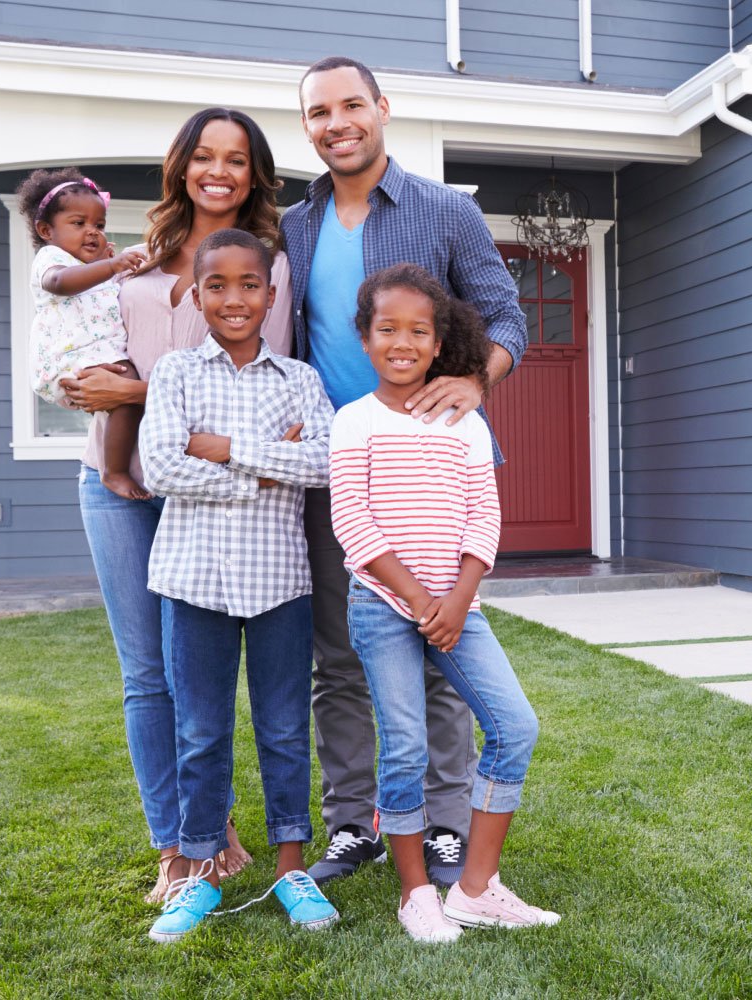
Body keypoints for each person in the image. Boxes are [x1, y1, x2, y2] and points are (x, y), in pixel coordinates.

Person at [281, 56, 528, 888]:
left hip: (437, 466)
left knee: (442, 651)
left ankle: (447, 826)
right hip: (342, 469)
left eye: (352, 104)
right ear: (307, 126)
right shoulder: (295, 225)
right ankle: (354, 825)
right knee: (342, 656)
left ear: (383, 109)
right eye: (319, 112)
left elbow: (505, 315)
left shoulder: (444, 211)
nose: (337, 122)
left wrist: (476, 377)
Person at [61, 107, 294, 902]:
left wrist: (133, 388)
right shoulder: (135, 256)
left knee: (204, 674)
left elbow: (261, 390)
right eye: (203, 156)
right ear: (182, 165)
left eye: (235, 158)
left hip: (208, 496)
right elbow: (91, 356)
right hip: (116, 481)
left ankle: (210, 822)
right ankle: (179, 842)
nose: (217, 171)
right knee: (145, 675)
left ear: (255, 173)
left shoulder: (270, 267)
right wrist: (88, 384)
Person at [329, 263, 557, 942]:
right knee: (404, 747)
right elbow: (354, 524)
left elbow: (483, 518)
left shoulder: (466, 423)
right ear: (364, 339)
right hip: (382, 606)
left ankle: (476, 889)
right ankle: (415, 894)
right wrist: (421, 599)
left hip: (460, 607)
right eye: (387, 328)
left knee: (514, 728)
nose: (402, 341)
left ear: (438, 343)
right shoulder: (353, 422)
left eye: (418, 330)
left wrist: (458, 601)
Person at [140, 228, 337, 943]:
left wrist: (222, 450)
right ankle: (197, 871)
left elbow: (321, 462)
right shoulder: (174, 374)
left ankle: (291, 867)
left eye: (249, 285)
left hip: (279, 581)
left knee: (285, 728)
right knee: (199, 730)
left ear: (271, 293)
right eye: (216, 285)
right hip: (192, 580)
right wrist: (264, 466)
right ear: (197, 295)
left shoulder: (301, 382)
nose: (233, 298)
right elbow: (161, 466)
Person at [16, 167, 149, 500]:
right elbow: (60, 283)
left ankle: (117, 465)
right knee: (127, 392)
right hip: (69, 357)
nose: (92, 232)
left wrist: (105, 266)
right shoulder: (51, 259)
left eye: (99, 225)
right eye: (79, 224)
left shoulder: (94, 267)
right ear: (47, 230)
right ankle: (114, 471)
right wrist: (110, 265)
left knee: (125, 392)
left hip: (95, 353)